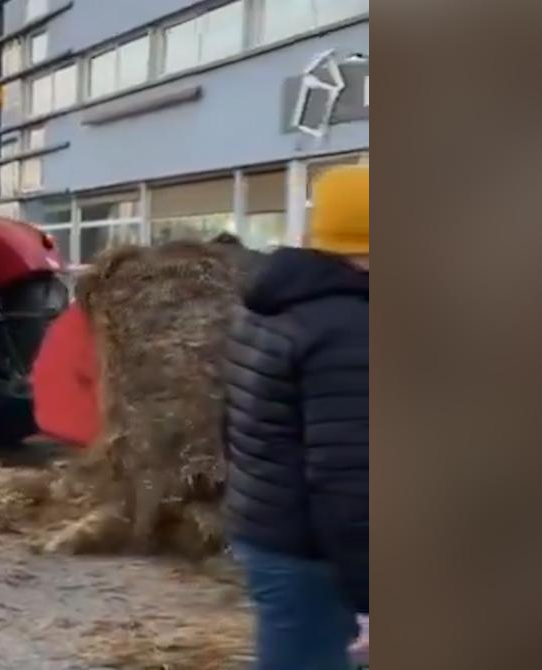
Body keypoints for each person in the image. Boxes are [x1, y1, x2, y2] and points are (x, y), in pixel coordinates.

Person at [221, 165, 369, 669]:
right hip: (316, 554)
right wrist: (371, 596)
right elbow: (350, 477)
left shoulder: (269, 305)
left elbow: (236, 425)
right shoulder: (348, 326)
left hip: (269, 533)